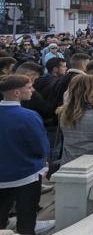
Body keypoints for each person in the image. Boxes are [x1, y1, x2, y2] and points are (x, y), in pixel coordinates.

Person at [0, 75, 55, 235]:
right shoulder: (28, 116)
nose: (32, 91)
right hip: (26, 174)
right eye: (29, 87)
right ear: (17, 92)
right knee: (27, 212)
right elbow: (41, 147)